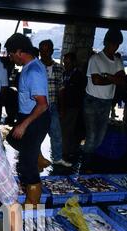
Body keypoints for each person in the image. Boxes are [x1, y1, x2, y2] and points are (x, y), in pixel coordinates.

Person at [4, 33, 50, 207]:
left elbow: (43, 104)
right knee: (12, 140)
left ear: (19, 51)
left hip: (36, 118)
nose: (10, 57)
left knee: (25, 165)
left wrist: (23, 125)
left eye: (10, 54)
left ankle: (32, 203)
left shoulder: (33, 71)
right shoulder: (32, 66)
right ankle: (37, 156)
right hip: (29, 116)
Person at [82, 28, 125, 167]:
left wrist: (106, 76)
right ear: (106, 43)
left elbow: (122, 81)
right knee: (92, 136)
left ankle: (89, 162)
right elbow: (96, 81)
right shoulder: (96, 58)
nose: (115, 47)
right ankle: (85, 167)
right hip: (92, 101)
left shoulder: (117, 60)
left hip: (107, 102)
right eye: (113, 44)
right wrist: (113, 78)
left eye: (118, 44)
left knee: (100, 138)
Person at [38, 39, 69, 167]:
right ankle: (36, 158)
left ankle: (57, 158)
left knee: (56, 133)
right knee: (37, 134)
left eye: (47, 51)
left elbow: (61, 90)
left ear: (51, 51)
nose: (44, 54)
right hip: (38, 107)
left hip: (53, 106)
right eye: (42, 51)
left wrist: (62, 108)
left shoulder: (59, 68)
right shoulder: (36, 67)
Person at [60, 52, 86, 162]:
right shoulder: (64, 73)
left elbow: (79, 94)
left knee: (68, 130)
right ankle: (65, 152)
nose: (65, 64)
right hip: (64, 105)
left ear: (74, 63)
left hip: (73, 107)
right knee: (64, 129)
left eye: (68, 62)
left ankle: (67, 153)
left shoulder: (79, 76)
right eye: (64, 62)